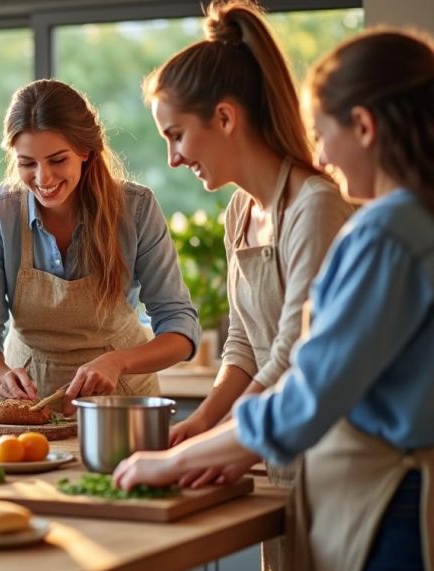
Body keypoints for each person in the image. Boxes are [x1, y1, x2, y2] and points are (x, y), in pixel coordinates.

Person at [114, 29, 434, 571]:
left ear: (363, 126)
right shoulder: (415, 222)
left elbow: (308, 392)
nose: (323, 155)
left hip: (386, 503)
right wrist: (209, 429)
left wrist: (174, 460)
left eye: (323, 134)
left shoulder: (384, 233)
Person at [148, 1, 354, 476]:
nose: (173, 159)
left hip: (324, 461)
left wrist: (221, 441)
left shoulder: (315, 206)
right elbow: (242, 342)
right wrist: (202, 421)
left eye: (176, 135)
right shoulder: (240, 211)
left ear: (224, 117)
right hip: (270, 448)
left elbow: (291, 353)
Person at [0, 79, 201, 414]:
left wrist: (118, 362)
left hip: (121, 405)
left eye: (57, 160)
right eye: (27, 163)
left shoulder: (136, 209)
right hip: (32, 407)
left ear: (85, 151)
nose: (43, 178)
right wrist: (2, 376)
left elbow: (180, 327)